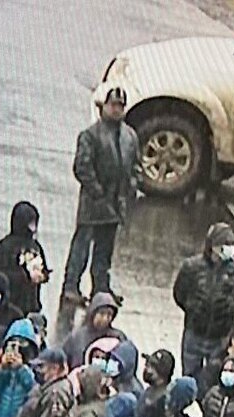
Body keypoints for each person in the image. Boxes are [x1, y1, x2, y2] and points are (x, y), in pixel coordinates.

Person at [61, 87, 140, 306]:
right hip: (94, 203)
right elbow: (82, 167)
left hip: (116, 203)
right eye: (113, 105)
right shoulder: (90, 135)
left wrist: (132, 186)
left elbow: (136, 166)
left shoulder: (130, 136)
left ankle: (101, 289)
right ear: (103, 106)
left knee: (105, 252)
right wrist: (97, 192)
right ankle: (71, 286)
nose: (116, 110)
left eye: (120, 106)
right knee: (82, 247)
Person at [172, 222, 234, 377]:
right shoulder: (191, 267)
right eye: (224, 245)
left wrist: (228, 310)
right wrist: (193, 309)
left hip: (220, 336)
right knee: (190, 376)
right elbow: (179, 294)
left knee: (213, 378)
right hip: (195, 332)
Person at [0, 200, 50, 314]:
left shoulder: (35, 246)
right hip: (7, 308)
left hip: (31, 307)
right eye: (30, 224)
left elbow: (43, 269)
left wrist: (43, 274)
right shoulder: (2, 249)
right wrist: (25, 275)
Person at [60, 292, 127, 369]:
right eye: (101, 314)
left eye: (109, 315)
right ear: (93, 313)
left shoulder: (117, 337)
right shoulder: (77, 337)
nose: (105, 319)